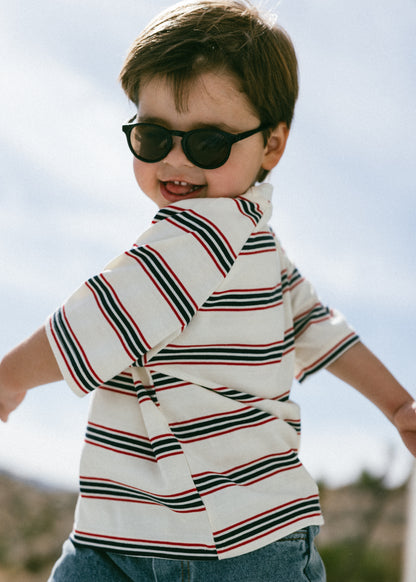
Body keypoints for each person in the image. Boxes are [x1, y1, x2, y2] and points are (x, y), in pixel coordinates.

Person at [0, 1, 415, 580]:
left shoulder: (203, 230)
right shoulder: (258, 247)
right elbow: (321, 330)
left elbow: (104, 318)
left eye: (208, 144)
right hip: (144, 526)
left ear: (271, 145)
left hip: (223, 541)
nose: (175, 160)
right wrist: (397, 404)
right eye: (152, 136)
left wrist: (9, 376)